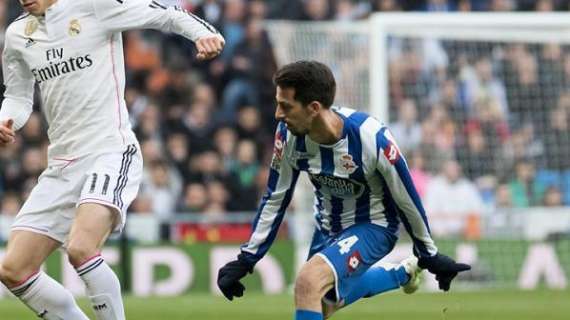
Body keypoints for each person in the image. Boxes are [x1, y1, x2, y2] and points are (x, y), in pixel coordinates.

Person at [0, 0, 224, 319]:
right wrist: (6, 119)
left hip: (109, 151)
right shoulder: (19, 33)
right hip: (61, 166)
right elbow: (18, 97)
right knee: (13, 269)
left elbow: (164, 13)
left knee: (81, 249)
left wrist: (203, 33)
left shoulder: (94, 6)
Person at [217, 61, 470, 320]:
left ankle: (405, 269)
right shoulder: (289, 135)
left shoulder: (371, 138)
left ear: (313, 108)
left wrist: (429, 252)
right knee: (324, 304)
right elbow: (276, 197)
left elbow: (406, 197)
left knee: (308, 281)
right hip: (327, 226)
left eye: (286, 106)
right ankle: (402, 273)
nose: (278, 115)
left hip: (374, 225)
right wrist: (247, 259)